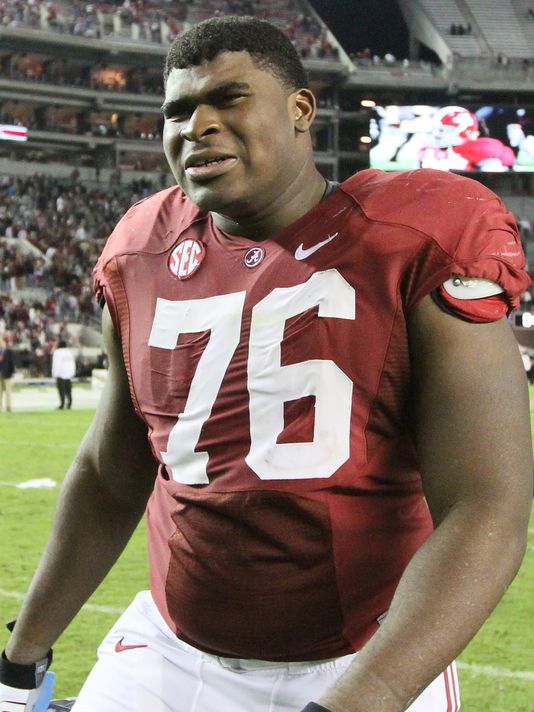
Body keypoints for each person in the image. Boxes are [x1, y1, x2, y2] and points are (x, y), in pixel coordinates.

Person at [1, 16, 533, 712]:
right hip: (167, 652)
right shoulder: (139, 252)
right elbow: (111, 471)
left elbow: (487, 507)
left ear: (300, 110)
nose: (197, 125)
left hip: (365, 662)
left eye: (228, 98)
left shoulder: (415, 234)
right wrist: (20, 657)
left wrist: (356, 700)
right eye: (178, 111)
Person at [51, 339, 76, 410]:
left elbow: (56, 364)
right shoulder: (69, 352)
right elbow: (73, 363)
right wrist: (72, 372)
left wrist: (55, 373)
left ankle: (62, 404)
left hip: (61, 373)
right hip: (69, 374)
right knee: (69, 390)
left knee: (61, 390)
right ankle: (69, 404)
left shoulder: (57, 352)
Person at [0, 337, 15, 413]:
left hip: (7, 373)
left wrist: (12, 372)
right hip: (0, 373)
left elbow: (12, 362)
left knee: (8, 391)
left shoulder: (9, 351)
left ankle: (9, 407)